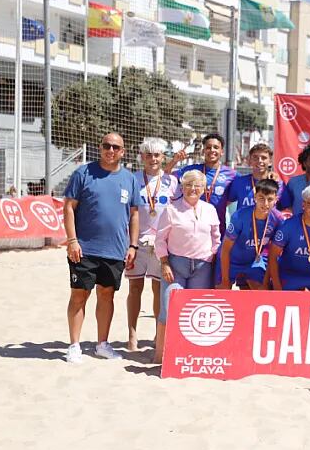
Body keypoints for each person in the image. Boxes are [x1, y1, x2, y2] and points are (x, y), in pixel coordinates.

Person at [63, 133, 142, 363]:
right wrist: (72, 241)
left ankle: (102, 344)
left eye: (116, 147)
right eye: (107, 146)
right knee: (79, 295)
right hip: (84, 248)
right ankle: (75, 345)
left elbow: (134, 215)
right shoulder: (83, 173)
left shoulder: (129, 179)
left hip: (115, 250)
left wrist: (133, 245)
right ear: (100, 147)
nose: (111, 150)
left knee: (107, 295)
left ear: (123, 152)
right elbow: (69, 208)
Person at [152, 169, 222, 364]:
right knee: (168, 309)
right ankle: (160, 355)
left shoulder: (210, 209)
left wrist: (212, 256)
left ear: (203, 189)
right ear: (182, 187)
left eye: (197, 185)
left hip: (202, 267)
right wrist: (164, 262)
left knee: (197, 311)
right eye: (189, 184)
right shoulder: (171, 209)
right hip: (176, 265)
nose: (193, 188)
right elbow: (160, 239)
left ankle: (191, 353)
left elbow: (216, 237)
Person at [125, 137, 179, 352]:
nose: (153, 159)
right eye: (148, 155)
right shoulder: (133, 179)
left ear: (162, 157)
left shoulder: (171, 182)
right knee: (135, 287)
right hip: (137, 242)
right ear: (142, 158)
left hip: (161, 243)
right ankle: (132, 334)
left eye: (157, 155)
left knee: (159, 289)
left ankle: (159, 334)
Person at [217, 178, 285, 290]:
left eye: (270, 199)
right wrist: (225, 280)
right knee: (222, 292)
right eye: (261, 198)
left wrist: (266, 281)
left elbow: (274, 254)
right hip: (231, 260)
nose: (265, 204)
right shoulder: (240, 216)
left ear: (276, 200)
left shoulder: (278, 219)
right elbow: (225, 249)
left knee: (261, 290)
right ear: (254, 198)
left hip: (253, 262)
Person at [172, 133, 237, 234]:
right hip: (191, 227)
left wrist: (269, 175)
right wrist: (174, 161)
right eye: (208, 147)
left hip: (218, 228)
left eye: (216, 147)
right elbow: (167, 177)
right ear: (203, 151)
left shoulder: (231, 174)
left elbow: (250, 184)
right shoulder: (192, 170)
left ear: (222, 152)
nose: (212, 150)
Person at [225, 142, 291, 212]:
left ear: (270, 161)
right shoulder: (239, 182)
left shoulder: (278, 184)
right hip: (244, 223)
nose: (259, 161)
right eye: (255, 157)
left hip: (268, 223)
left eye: (264, 158)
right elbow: (226, 202)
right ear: (250, 160)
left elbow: (288, 209)